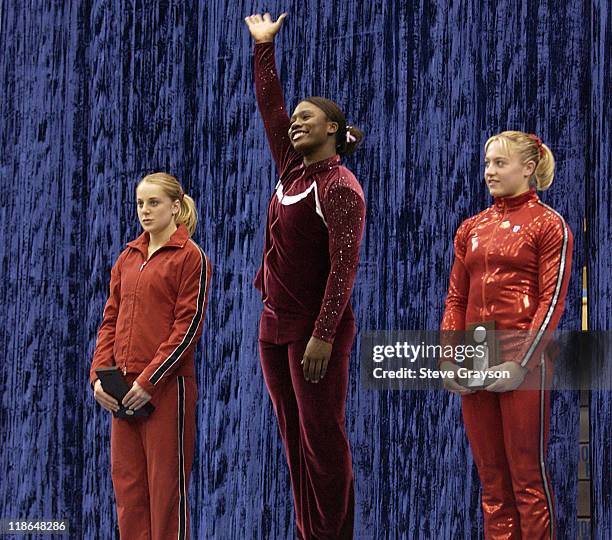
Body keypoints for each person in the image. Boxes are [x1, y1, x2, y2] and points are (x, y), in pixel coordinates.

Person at [244, 12, 366, 540]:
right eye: (294, 119)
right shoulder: (292, 171)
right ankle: (306, 531)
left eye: (306, 118)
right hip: (275, 326)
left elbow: (344, 267)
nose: (293, 123)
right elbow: (270, 109)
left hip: (316, 333)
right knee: (293, 438)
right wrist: (263, 48)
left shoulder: (339, 186)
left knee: (322, 439)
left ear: (332, 130)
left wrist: (321, 335)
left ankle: (333, 534)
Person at [440, 131, 573, 539]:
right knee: (493, 482)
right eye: (487, 164)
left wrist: (521, 363)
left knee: (526, 479)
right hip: (479, 352)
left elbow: (552, 302)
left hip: (522, 355)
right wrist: (448, 357)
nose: (489, 172)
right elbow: (456, 298)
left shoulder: (550, 225)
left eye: (500, 163)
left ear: (528, 168)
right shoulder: (471, 228)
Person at [89, 172, 212, 540]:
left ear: (175, 207)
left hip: (165, 391)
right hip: (121, 391)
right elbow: (109, 319)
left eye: (153, 202)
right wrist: (98, 376)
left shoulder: (191, 258)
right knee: (129, 494)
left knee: (165, 496)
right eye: (140, 203)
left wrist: (149, 380)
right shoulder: (127, 257)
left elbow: (187, 329)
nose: (145, 210)